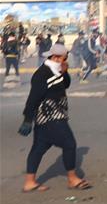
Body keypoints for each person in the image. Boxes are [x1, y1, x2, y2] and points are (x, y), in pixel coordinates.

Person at [18, 43, 91, 192]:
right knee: (69, 144)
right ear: (56, 57)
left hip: (56, 115)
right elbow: (34, 97)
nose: (65, 60)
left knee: (39, 147)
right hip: (50, 116)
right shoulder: (42, 73)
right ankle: (72, 179)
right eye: (64, 58)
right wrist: (27, 118)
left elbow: (65, 85)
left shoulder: (57, 70)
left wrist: (65, 72)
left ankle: (29, 182)